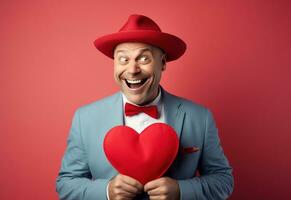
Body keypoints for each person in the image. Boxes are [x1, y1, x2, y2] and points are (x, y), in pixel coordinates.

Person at [56, 14, 234, 200]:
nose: (132, 70)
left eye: (144, 59)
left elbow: (223, 180)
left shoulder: (199, 117)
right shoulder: (85, 118)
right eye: (123, 59)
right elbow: (66, 184)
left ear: (163, 63)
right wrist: (106, 191)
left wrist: (181, 191)